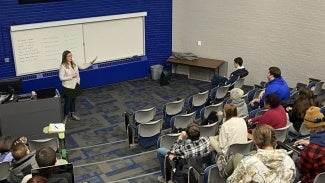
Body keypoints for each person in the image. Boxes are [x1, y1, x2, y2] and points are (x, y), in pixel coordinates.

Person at [227, 124, 296, 182]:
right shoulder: (289, 161)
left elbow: (231, 181)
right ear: (274, 140)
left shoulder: (247, 163)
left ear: (256, 143)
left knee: (237, 157)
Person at [59, 50, 97, 123]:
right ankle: (65, 117)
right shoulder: (63, 66)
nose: (70, 57)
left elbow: (82, 66)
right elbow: (61, 78)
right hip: (68, 87)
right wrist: (71, 76)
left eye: (71, 55)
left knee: (73, 101)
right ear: (65, 57)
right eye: (69, 56)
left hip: (75, 85)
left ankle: (72, 114)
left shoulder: (74, 62)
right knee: (67, 103)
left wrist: (91, 63)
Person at [294, 106, 325, 183]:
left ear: (311, 128)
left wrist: (311, 145)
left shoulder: (310, 151)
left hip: (311, 179)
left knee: (296, 164)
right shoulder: (313, 147)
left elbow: (302, 170)